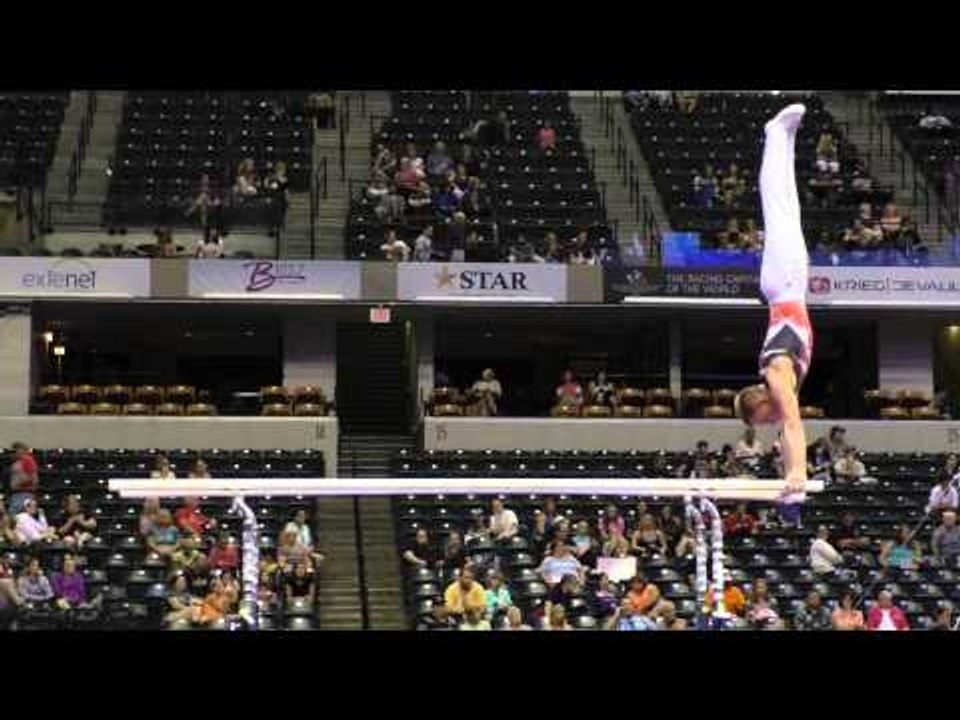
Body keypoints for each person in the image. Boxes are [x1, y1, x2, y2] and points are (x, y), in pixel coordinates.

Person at [734, 105, 814, 501]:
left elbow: (793, 426)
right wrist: (791, 490)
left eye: (763, 420)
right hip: (788, 287)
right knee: (787, 205)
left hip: (785, 285)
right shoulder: (778, 382)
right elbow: (787, 431)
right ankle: (786, 137)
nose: (769, 424)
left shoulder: (777, 375)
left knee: (779, 204)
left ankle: (775, 133)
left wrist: (797, 472)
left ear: (760, 403)